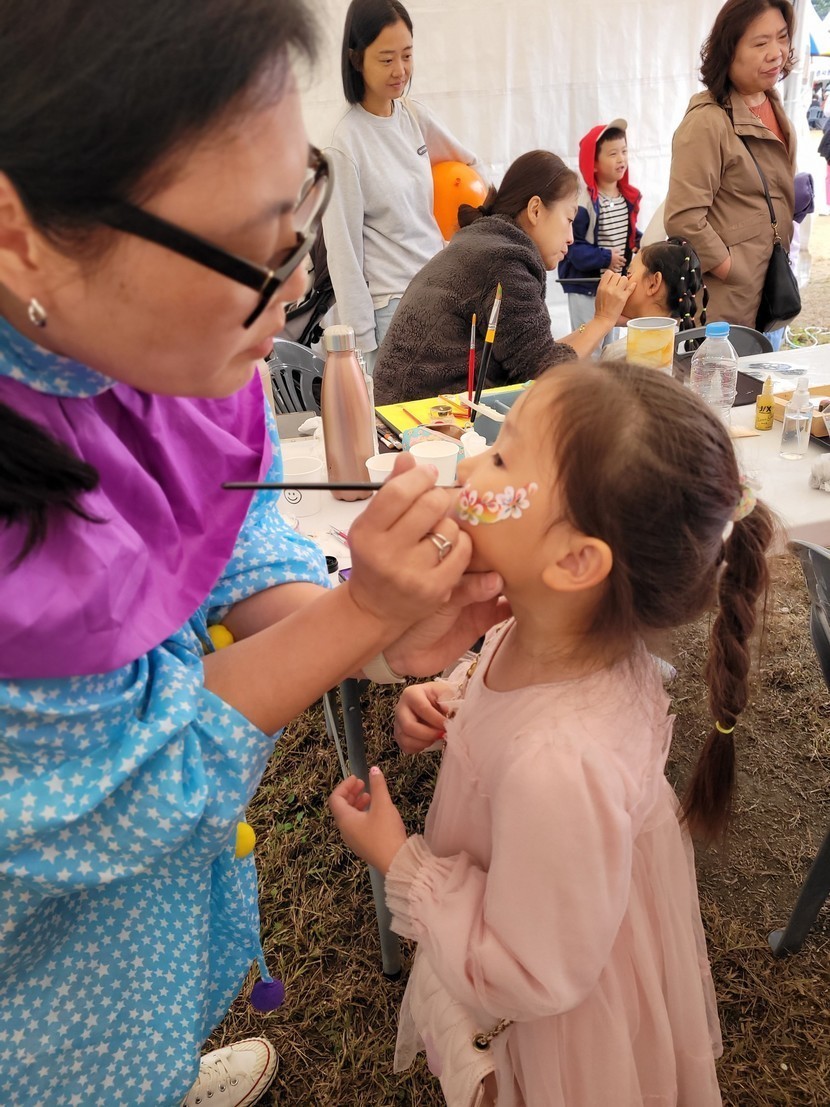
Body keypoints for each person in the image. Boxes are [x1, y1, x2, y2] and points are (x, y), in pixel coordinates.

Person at [0, 4, 509, 1106]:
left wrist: (380, 635)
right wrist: (362, 618)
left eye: (298, 212)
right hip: (32, 993)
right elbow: (131, 784)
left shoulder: (162, 347)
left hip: (138, 929)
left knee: (147, 1023)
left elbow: (235, 545)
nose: (291, 290)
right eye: (246, 250)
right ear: (20, 233)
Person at [330, 360, 775, 1106]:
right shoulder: (551, 632)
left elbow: (528, 971)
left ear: (574, 561)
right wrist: (455, 702)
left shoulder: (558, 765)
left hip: (549, 1017)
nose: (469, 466)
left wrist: (399, 858)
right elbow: (516, 706)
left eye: (503, 458)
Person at [372, 150, 634, 405]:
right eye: (568, 219)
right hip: (422, 418)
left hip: (400, 408)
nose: (570, 238)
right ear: (535, 210)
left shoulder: (485, 243)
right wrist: (602, 320)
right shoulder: (506, 261)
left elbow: (535, 355)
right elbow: (546, 375)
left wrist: (601, 320)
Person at [322, 0, 486, 373]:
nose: (400, 70)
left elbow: (472, 168)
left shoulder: (413, 116)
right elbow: (344, 254)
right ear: (355, 58)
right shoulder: (342, 143)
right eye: (386, 59)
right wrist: (363, 345)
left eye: (407, 55)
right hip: (391, 310)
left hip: (441, 293)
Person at [664, 0, 797, 349]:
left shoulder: (771, 102)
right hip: (725, 306)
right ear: (729, 49)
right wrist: (733, 270)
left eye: (783, 37)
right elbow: (683, 218)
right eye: (760, 42)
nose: (776, 52)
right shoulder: (707, 122)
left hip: (771, 291)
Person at [557, 119, 642, 349]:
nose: (621, 159)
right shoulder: (584, 204)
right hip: (588, 288)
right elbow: (574, 248)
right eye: (613, 153)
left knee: (610, 344)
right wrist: (606, 258)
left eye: (624, 151)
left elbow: (627, 233)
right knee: (588, 343)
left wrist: (640, 241)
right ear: (593, 164)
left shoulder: (625, 198)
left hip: (612, 288)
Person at [601, 237, 708, 362]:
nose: (623, 279)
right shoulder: (686, 347)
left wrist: (601, 319)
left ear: (653, 283)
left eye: (628, 273)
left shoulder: (620, 354)